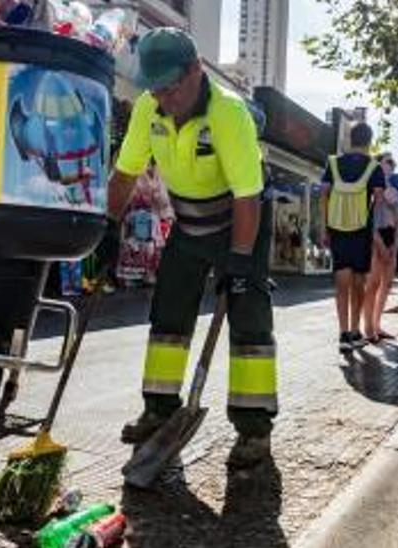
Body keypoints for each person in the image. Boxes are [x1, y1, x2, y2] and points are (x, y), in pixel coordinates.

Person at [108, 28, 276, 469]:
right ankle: (159, 409)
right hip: (189, 222)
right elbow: (125, 174)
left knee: (248, 317)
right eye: (156, 87)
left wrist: (240, 263)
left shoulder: (229, 114)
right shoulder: (149, 109)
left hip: (240, 221)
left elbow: (247, 196)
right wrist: (106, 227)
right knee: (169, 310)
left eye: (172, 85)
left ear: (196, 70)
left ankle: (253, 430)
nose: (165, 96)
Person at [320, 123, 385, 353]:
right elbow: (378, 202)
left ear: (350, 139)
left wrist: (325, 228)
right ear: (369, 141)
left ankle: (342, 333)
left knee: (341, 283)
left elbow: (324, 194)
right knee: (359, 283)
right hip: (361, 230)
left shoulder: (333, 163)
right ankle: (355, 332)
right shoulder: (374, 168)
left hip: (336, 228)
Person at [362, 153, 398, 343]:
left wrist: (394, 245)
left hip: (391, 238)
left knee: (386, 285)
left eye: (393, 163)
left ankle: (377, 325)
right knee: (373, 284)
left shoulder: (393, 190)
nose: (391, 166)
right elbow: (368, 221)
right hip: (375, 237)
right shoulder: (371, 188)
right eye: (388, 162)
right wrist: (379, 245)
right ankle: (368, 327)